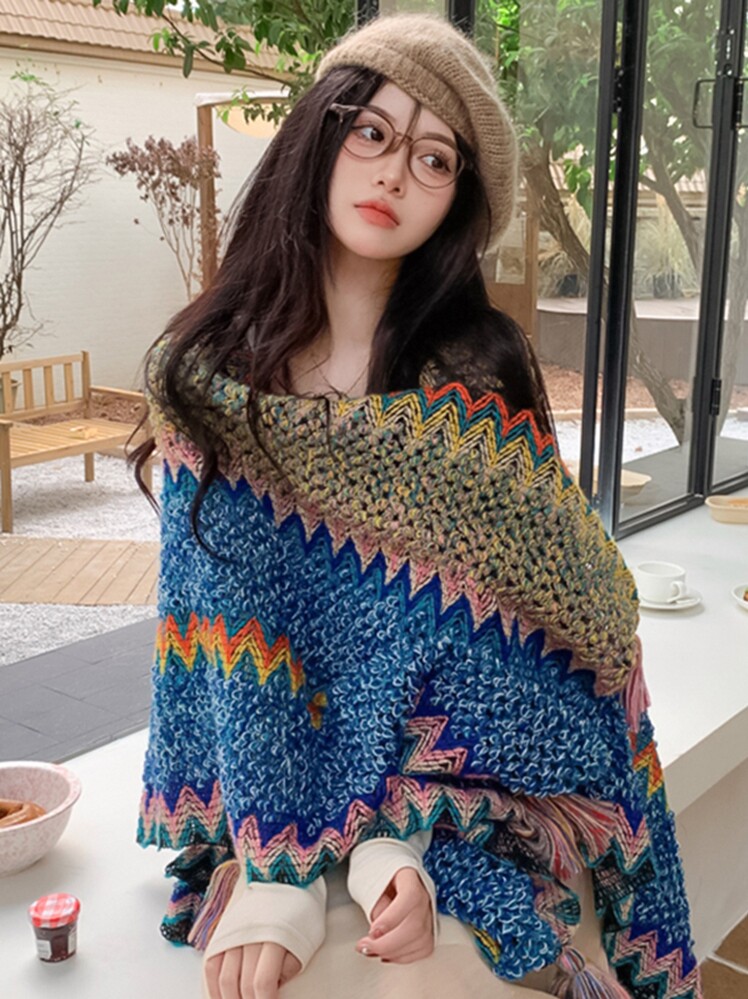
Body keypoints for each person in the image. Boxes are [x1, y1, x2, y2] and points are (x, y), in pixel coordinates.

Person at [129, 12, 702, 999]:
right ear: (320, 134)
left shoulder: (477, 375)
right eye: (372, 131)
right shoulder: (204, 376)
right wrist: (274, 869)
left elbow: (577, 616)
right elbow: (220, 635)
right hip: (266, 783)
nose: (394, 174)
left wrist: (397, 837)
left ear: (459, 199)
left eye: (435, 158)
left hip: (450, 798)